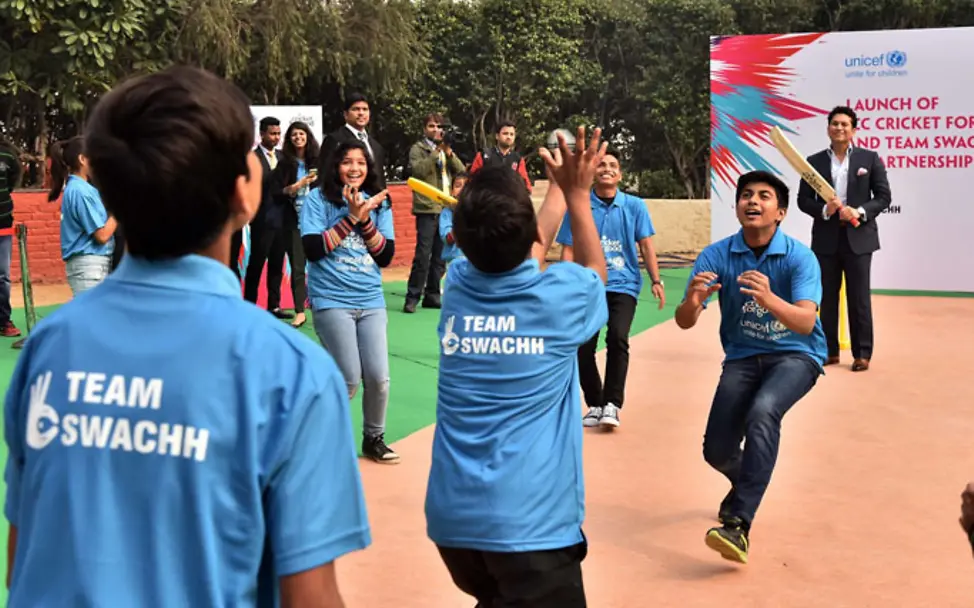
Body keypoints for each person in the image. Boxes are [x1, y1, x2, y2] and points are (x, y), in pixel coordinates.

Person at [2, 65, 370, 607]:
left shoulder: (48, 347)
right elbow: (311, 598)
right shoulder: (294, 370)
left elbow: (22, 562)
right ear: (244, 193)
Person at [425, 127, 609, 607]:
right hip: (531, 531)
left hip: (455, 529)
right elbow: (595, 274)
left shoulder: (458, 285)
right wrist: (579, 197)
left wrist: (562, 194)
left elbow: (532, 242)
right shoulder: (561, 300)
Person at [674, 170, 827, 565]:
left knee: (763, 412)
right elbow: (684, 320)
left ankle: (739, 523)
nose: (753, 202)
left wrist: (768, 297)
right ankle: (748, 481)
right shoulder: (717, 255)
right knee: (716, 450)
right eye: (746, 195)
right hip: (742, 357)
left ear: (781, 212)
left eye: (764, 196)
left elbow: (806, 322)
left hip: (796, 354)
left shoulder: (799, 257)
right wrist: (693, 300)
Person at [300, 140, 400, 464]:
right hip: (331, 299)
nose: (354, 168)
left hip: (370, 298)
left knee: (379, 378)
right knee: (347, 378)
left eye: (361, 162)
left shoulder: (378, 204)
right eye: (347, 162)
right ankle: (322, 439)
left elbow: (385, 255)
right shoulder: (317, 201)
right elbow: (314, 249)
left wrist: (365, 218)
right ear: (334, 167)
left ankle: (374, 438)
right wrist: (350, 219)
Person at [556, 150, 664, 429]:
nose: (606, 168)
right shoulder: (578, 206)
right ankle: (595, 403)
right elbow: (567, 248)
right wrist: (566, 284)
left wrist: (656, 280)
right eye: (601, 164)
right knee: (583, 345)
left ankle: (613, 404)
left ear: (620, 175)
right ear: (593, 172)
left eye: (613, 165)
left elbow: (646, 245)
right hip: (588, 285)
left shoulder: (635, 206)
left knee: (618, 336)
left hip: (624, 284)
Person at [797, 105, 891, 372]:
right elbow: (803, 200)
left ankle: (862, 354)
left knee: (859, 297)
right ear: (828, 128)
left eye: (844, 124)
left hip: (859, 238)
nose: (839, 128)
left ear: (853, 130)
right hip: (826, 238)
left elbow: (883, 197)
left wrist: (859, 212)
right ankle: (829, 351)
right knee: (826, 297)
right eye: (835, 123)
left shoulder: (869, 159)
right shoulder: (813, 162)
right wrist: (823, 210)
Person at [403, 113, 465, 313]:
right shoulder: (418, 149)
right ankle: (412, 296)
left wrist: (448, 152)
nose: (436, 130)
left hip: (446, 207)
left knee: (440, 255)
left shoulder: (446, 150)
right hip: (427, 207)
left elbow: (461, 172)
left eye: (439, 126)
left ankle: (432, 295)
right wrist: (436, 151)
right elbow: (418, 171)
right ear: (424, 129)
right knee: (423, 254)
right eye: (432, 126)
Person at [48, 136, 117, 296]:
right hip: (89, 267)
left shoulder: (82, 188)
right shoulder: (80, 191)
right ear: (82, 159)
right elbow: (102, 235)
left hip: (91, 266)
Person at [244, 117, 293, 320]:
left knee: (277, 264)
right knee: (256, 264)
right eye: (272, 133)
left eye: (278, 134)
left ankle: (274, 306)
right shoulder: (252, 159)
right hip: (262, 220)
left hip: (282, 219)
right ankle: (249, 306)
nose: (276, 137)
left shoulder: (284, 157)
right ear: (262, 134)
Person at [274, 121, 319, 328]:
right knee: (298, 267)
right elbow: (277, 191)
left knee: (321, 265)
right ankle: (300, 311)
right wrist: (297, 186)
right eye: (294, 135)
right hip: (293, 221)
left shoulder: (318, 161)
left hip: (317, 221)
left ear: (308, 136)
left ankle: (323, 306)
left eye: (301, 133)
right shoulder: (285, 163)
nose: (298, 137)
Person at [469, 119, 532, 192]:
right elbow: (471, 180)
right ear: (497, 136)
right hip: (487, 198)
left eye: (512, 134)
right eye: (505, 133)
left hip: (510, 199)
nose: (509, 137)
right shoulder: (484, 156)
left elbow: (526, 186)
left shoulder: (517, 159)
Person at [0, 141, 23, 337]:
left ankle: (3, 321)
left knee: (2, 276)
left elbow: (14, 179)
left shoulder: (7, 156)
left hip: (3, 223)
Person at [437, 172, 468, 266]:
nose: (462, 188)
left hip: (474, 261)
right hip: (455, 261)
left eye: (466, 185)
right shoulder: (447, 213)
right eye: (458, 185)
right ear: (452, 191)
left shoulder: (477, 211)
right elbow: (447, 238)